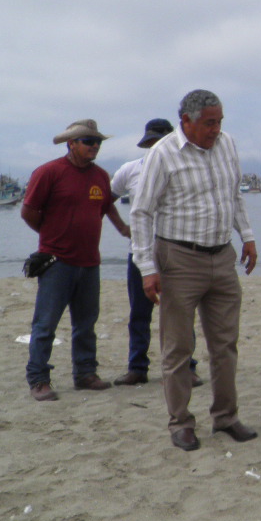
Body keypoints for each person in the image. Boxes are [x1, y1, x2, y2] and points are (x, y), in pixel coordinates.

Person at [130, 90, 258, 451]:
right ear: (186, 121)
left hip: (223, 255)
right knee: (178, 348)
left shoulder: (227, 145)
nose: (216, 130)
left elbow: (234, 195)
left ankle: (226, 417)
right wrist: (146, 267)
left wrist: (246, 236)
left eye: (219, 122)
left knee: (225, 344)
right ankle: (181, 422)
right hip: (179, 259)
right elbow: (141, 212)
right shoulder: (162, 154)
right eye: (209, 123)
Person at [22, 119, 131, 401]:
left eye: (98, 142)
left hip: (90, 263)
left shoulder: (100, 176)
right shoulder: (49, 172)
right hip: (56, 261)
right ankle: (38, 380)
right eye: (89, 141)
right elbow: (29, 211)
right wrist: (50, 235)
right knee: (46, 324)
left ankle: (85, 374)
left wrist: (124, 230)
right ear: (72, 144)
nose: (95, 146)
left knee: (86, 323)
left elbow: (107, 207)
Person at [108, 118, 199, 387]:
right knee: (139, 312)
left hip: (177, 251)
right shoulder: (130, 170)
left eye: (162, 141)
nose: (156, 146)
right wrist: (123, 227)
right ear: (147, 143)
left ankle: (187, 367)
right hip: (141, 252)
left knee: (181, 312)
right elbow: (105, 200)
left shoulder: (187, 170)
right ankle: (137, 367)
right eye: (152, 142)